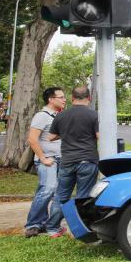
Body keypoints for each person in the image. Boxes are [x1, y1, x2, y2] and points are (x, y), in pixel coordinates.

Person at [44, 86, 100, 236]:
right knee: (83, 197)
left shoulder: (61, 116)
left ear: (72, 98)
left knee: (61, 196)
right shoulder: (94, 115)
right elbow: (99, 135)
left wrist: (67, 134)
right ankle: (81, 229)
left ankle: (52, 228)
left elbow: (50, 137)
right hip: (87, 161)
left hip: (67, 161)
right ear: (89, 98)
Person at [24, 87, 66, 238]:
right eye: (60, 97)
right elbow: (32, 139)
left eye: (64, 97)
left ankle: (44, 224)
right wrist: (42, 158)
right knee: (48, 188)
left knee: (49, 191)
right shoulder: (42, 116)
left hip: (61, 159)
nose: (64, 99)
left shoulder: (58, 115)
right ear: (51, 100)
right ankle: (33, 225)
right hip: (48, 160)